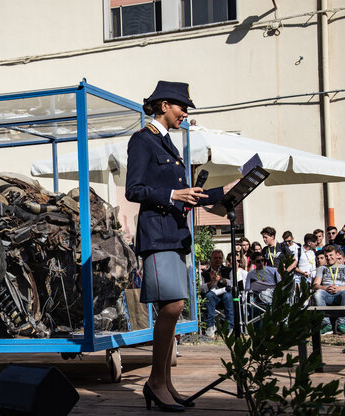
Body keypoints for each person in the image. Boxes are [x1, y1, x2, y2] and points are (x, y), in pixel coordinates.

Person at [125, 80, 224, 412]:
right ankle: (155, 381)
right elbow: (134, 190)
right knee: (172, 306)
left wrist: (225, 191)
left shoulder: (168, 144)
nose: (185, 113)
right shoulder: (142, 141)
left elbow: (182, 193)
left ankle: (164, 383)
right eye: (182, 107)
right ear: (164, 105)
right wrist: (172, 195)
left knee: (175, 306)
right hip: (156, 235)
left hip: (175, 233)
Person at [312, 245, 345, 335]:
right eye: (326, 256)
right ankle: (326, 325)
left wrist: (339, 288)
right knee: (317, 293)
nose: (329, 258)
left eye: (331, 255)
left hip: (341, 293)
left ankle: (341, 324)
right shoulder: (322, 268)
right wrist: (326, 288)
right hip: (326, 293)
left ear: (336, 255)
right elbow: (315, 285)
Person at [201, 250, 234, 338]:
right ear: (210, 259)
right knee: (209, 295)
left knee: (228, 296)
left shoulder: (229, 270)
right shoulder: (204, 273)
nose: (218, 260)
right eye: (215, 258)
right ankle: (210, 326)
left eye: (219, 258)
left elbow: (233, 283)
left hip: (225, 294)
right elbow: (201, 288)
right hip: (212, 296)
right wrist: (211, 282)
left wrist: (222, 280)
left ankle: (230, 327)